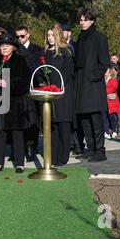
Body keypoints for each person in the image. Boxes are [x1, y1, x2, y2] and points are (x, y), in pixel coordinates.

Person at [0, 33, 31, 174]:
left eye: (7, 45)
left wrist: (8, 83)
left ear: (13, 47)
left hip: (15, 102)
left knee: (17, 133)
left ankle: (19, 163)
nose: (4, 47)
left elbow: (25, 82)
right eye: (2, 45)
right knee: (0, 133)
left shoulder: (21, 61)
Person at [75, 8, 110, 162]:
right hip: (81, 83)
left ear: (93, 20)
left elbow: (104, 63)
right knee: (84, 118)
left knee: (95, 119)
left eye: (85, 20)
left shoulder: (99, 37)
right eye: (81, 20)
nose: (82, 22)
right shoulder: (80, 37)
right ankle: (90, 148)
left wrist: (92, 77)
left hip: (93, 85)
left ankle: (100, 150)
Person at [40, 24, 75, 166]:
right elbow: (42, 71)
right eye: (48, 35)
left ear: (58, 35)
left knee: (63, 126)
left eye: (52, 35)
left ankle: (62, 156)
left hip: (63, 94)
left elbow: (68, 73)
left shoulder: (66, 51)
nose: (49, 38)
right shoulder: (46, 53)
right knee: (52, 125)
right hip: (49, 94)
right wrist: (45, 85)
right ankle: (52, 155)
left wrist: (57, 86)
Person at [15, 25, 42, 161]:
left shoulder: (37, 49)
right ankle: (21, 148)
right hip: (20, 91)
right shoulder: (16, 51)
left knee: (33, 120)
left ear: (28, 35)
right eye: (18, 36)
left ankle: (32, 146)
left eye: (22, 36)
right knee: (21, 120)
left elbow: (40, 70)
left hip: (34, 90)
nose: (20, 39)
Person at [103, 68, 120, 139]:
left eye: (106, 71)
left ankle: (114, 131)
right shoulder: (102, 80)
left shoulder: (114, 80)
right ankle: (106, 131)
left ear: (110, 72)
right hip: (103, 101)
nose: (104, 72)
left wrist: (103, 90)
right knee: (104, 117)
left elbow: (113, 88)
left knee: (112, 117)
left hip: (111, 101)